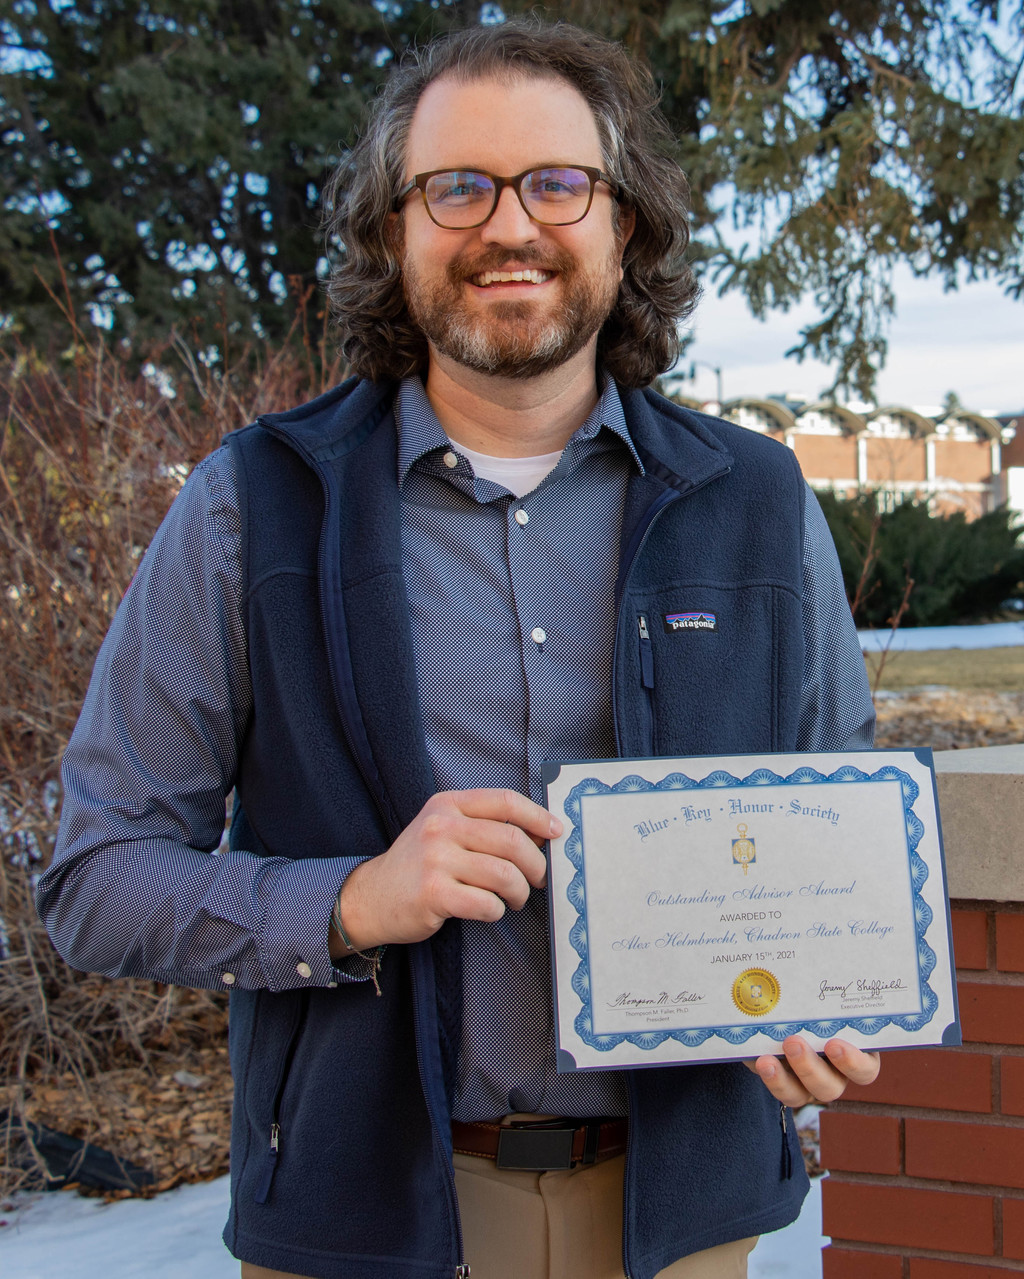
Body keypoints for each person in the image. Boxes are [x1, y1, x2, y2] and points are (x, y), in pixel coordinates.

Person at [38, 19, 879, 1279]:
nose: (509, 225)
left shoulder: (753, 498)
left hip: (682, 1219)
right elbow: (94, 875)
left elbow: (836, 834)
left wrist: (830, 994)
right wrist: (347, 899)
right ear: (393, 230)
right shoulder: (254, 504)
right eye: (456, 188)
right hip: (364, 1217)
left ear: (624, 222)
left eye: (557, 182)